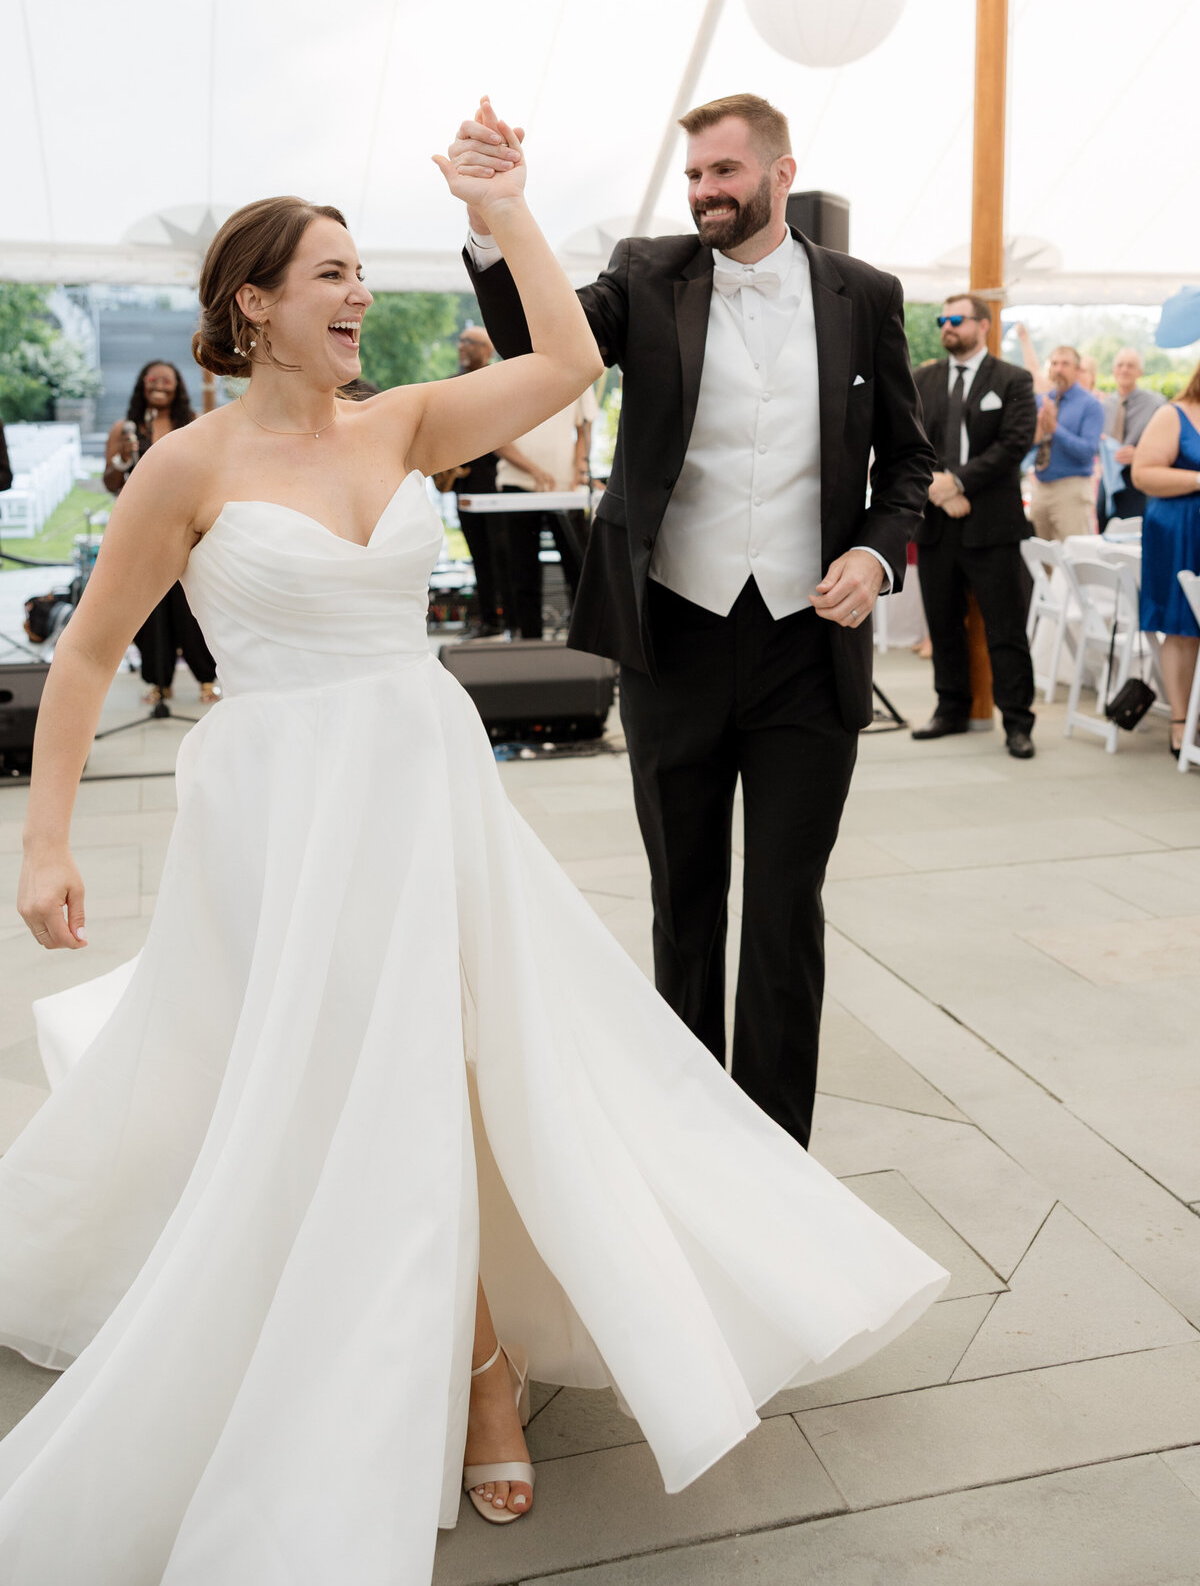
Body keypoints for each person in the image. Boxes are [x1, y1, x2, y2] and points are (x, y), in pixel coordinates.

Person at [0, 112, 946, 1584]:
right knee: (338, 1072)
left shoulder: (404, 423)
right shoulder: (181, 468)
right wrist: (45, 842)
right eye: (331, 271)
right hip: (278, 809)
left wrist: (505, 213)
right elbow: (85, 660)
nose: (361, 291)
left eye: (363, 266)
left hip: (422, 782)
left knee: (447, 1053)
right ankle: (446, 1357)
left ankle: (482, 1366)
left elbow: (569, 368)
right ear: (255, 302)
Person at [463, 91, 935, 1151]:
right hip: (673, 638)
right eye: (693, 177)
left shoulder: (865, 294)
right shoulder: (648, 272)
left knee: (783, 912)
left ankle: (775, 1157)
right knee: (685, 906)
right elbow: (539, 340)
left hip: (807, 652)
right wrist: (494, 219)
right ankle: (690, 1151)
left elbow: (906, 461)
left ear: (779, 171)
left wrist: (873, 549)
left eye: (723, 172)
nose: (705, 193)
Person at [912, 294, 1037, 757]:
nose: (947, 326)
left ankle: (1018, 724)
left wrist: (958, 484)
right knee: (943, 625)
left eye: (956, 319)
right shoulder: (921, 379)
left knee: (1006, 628)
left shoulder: (1012, 380)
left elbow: (1013, 444)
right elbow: (908, 443)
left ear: (983, 325)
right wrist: (937, 488)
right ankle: (951, 708)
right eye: (943, 319)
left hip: (993, 526)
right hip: (935, 525)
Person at [102, 360, 219, 705]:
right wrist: (121, 461)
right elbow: (110, 483)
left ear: (177, 386)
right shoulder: (124, 429)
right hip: (140, 534)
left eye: (167, 380)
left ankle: (206, 680)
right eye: (153, 379)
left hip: (187, 530)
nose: (160, 385)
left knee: (191, 608)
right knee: (148, 613)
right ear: (142, 385)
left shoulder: (191, 423)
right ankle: (158, 682)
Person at [1131, 365, 1200, 758]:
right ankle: (1180, 721)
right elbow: (1143, 474)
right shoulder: (1173, 414)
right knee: (1182, 626)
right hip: (1180, 530)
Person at [493, 380, 596, 638]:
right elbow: (494, 436)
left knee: (579, 566)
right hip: (517, 484)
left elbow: (585, 429)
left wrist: (580, 470)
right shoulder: (506, 376)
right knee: (522, 569)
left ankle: (584, 638)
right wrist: (533, 470)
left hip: (565, 489)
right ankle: (530, 641)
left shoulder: (578, 373)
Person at [436, 327, 507, 635]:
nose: (462, 346)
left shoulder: (499, 383)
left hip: (494, 483)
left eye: (471, 342)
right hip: (463, 484)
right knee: (478, 553)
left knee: (500, 553)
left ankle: (506, 619)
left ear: (488, 351)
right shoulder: (450, 385)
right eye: (461, 340)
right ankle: (489, 618)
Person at [1029, 344, 1104, 539]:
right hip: (1041, 487)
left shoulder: (1090, 404)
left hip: (1072, 488)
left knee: (1072, 557)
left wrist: (1055, 429)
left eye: (1065, 364)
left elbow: (1088, 451)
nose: (1058, 369)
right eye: (1054, 363)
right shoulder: (1042, 400)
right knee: (1040, 559)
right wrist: (1039, 430)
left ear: (1077, 370)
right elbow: (1028, 445)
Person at [1099, 348, 1164, 526]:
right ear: (1113, 370)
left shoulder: (1156, 404)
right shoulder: (1105, 405)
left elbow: (1165, 446)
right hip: (1109, 482)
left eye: (1130, 366)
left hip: (1138, 481)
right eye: (1120, 365)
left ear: (1140, 372)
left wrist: (1140, 455)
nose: (1124, 370)